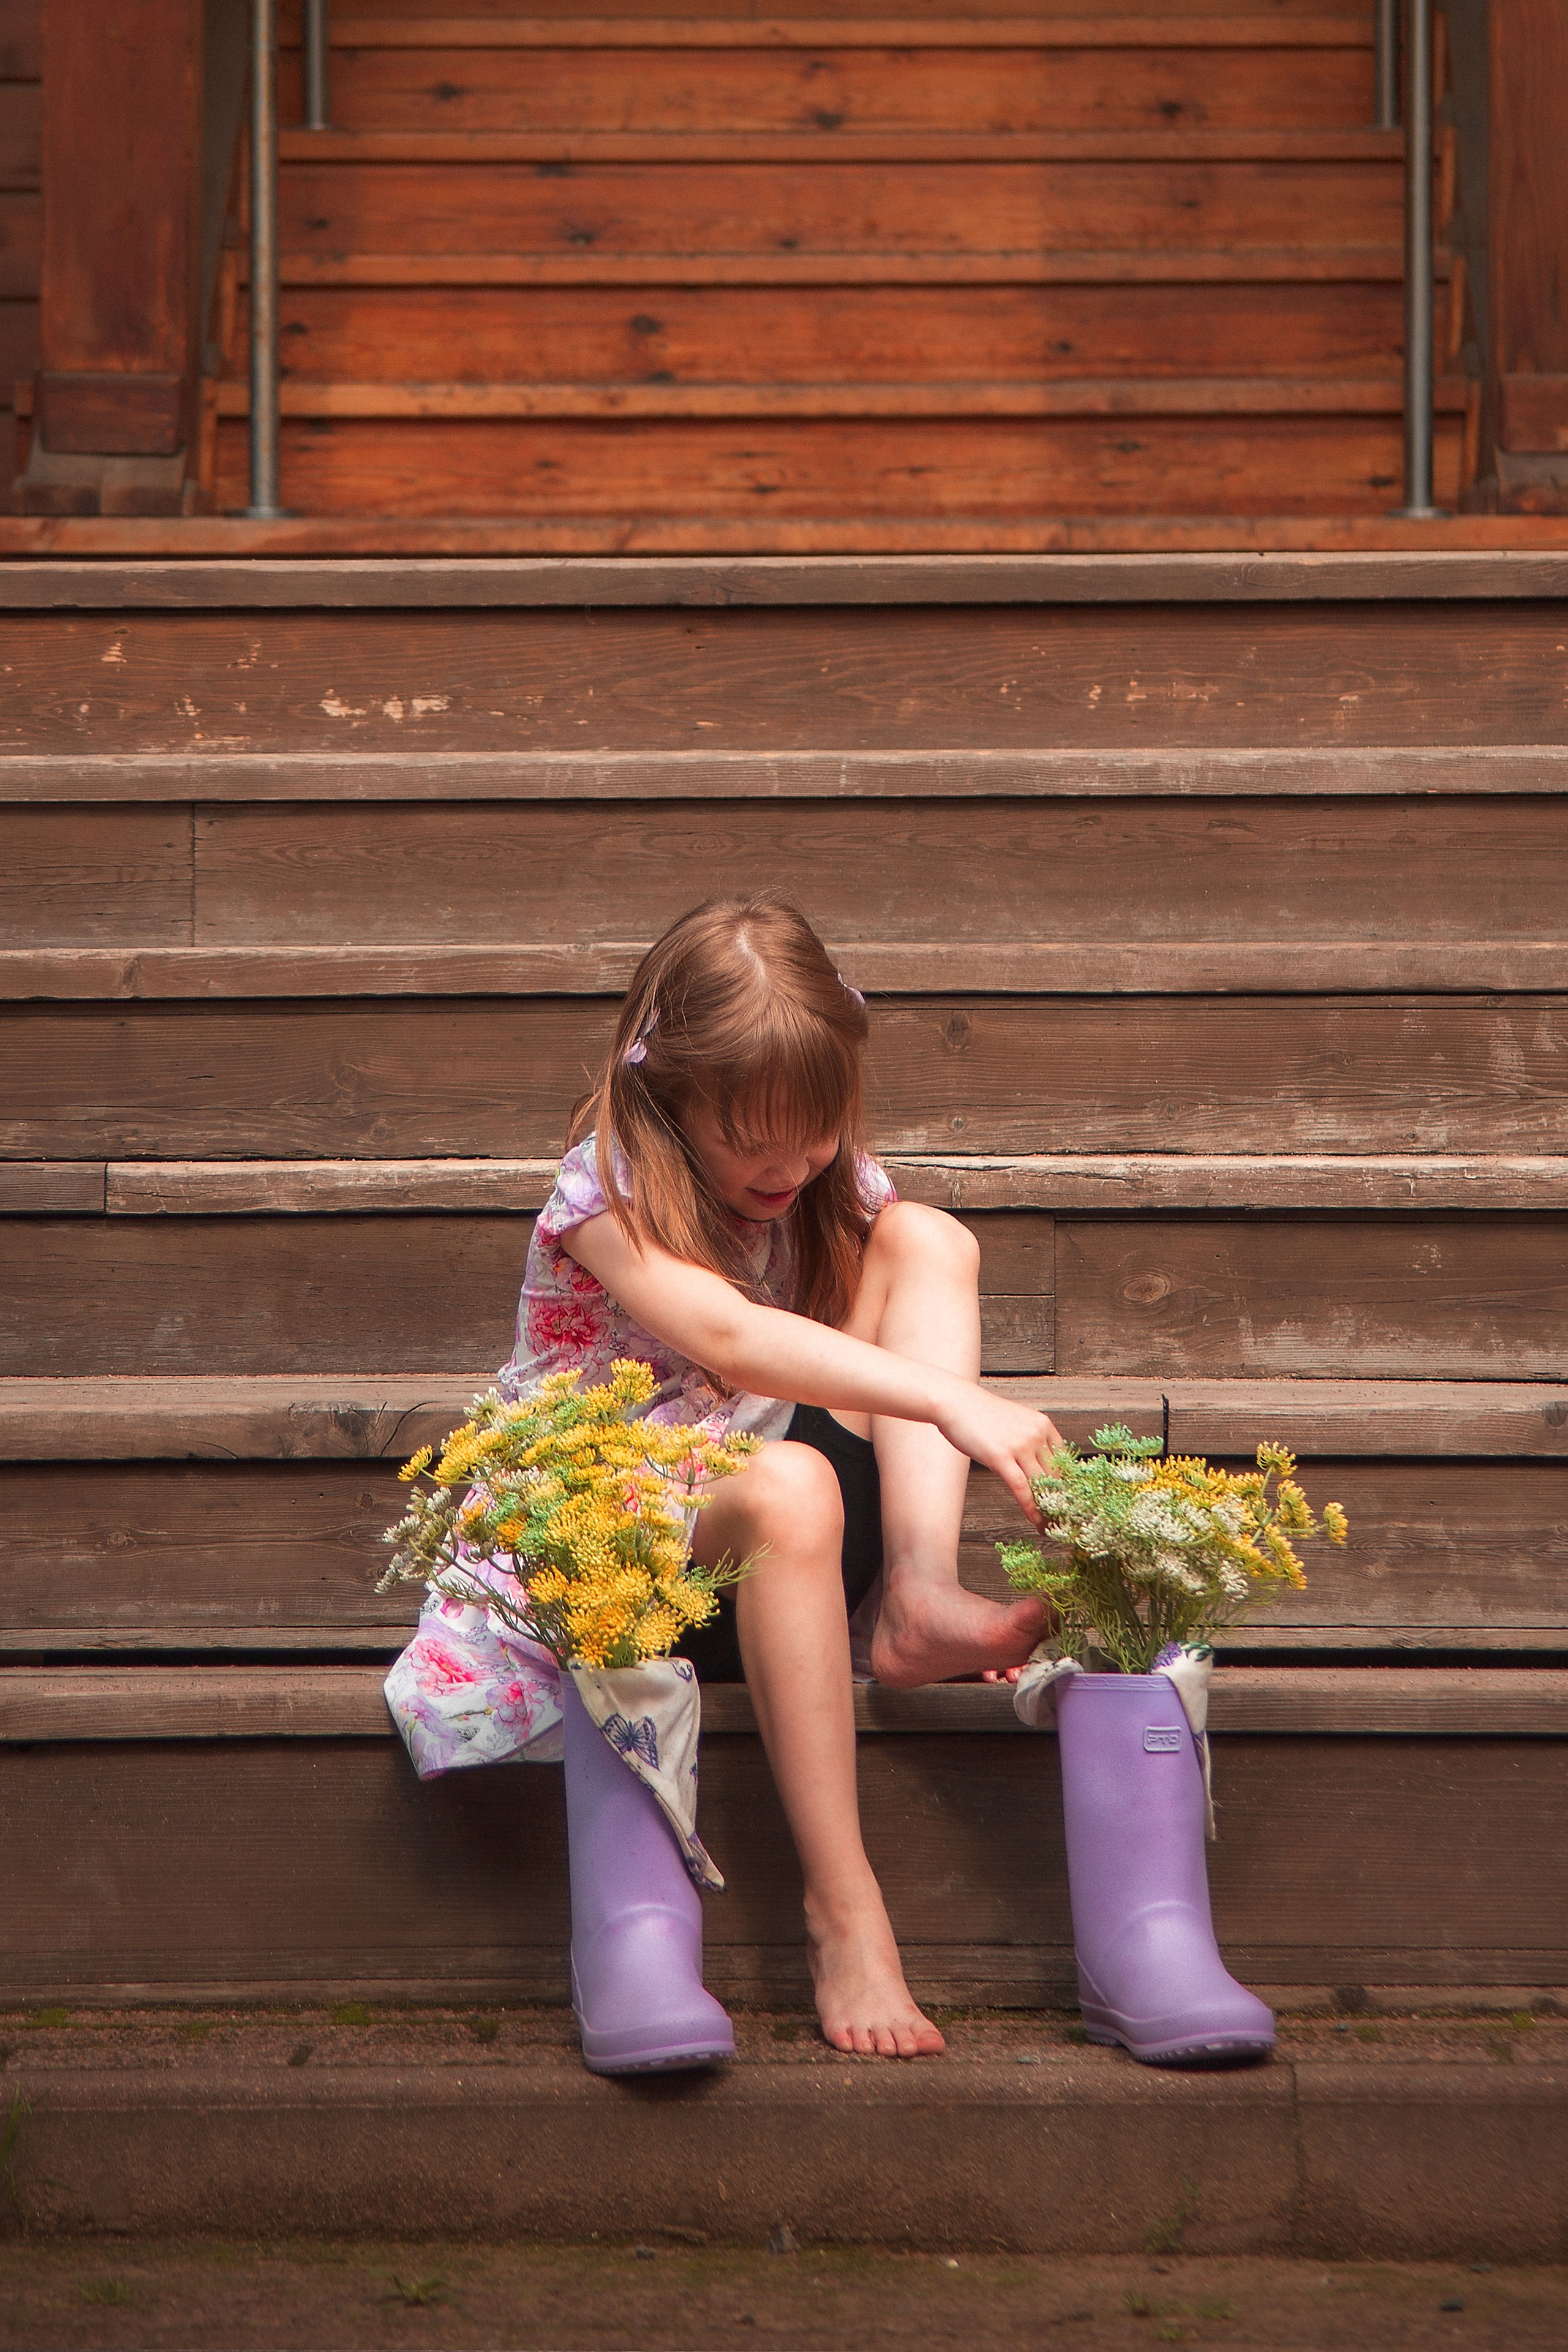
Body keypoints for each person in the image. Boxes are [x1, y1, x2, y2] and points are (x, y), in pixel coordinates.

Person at [504, 893, 1061, 2059]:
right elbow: (735, 1340)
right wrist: (952, 1399)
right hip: (633, 1557)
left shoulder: (822, 1177)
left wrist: (908, 1366)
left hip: (783, 1524)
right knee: (795, 1481)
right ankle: (844, 1911)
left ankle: (914, 1592)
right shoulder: (604, 1184)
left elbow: (829, 1333)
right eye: (750, 1138)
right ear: (667, 1092)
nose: (790, 1165)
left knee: (927, 1239)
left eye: (812, 1131)